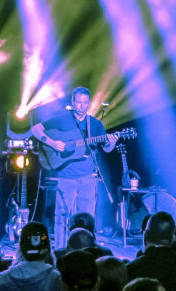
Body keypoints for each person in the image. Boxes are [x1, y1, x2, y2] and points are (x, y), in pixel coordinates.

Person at [31, 86, 117, 243]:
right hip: (66, 177)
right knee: (61, 217)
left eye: (85, 103)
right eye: (79, 102)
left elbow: (106, 148)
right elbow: (36, 129)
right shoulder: (63, 119)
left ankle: (85, 250)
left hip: (88, 178)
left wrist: (113, 142)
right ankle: (60, 251)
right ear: (73, 102)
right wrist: (52, 143)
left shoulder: (95, 125)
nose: (82, 106)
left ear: (89, 103)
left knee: (87, 219)